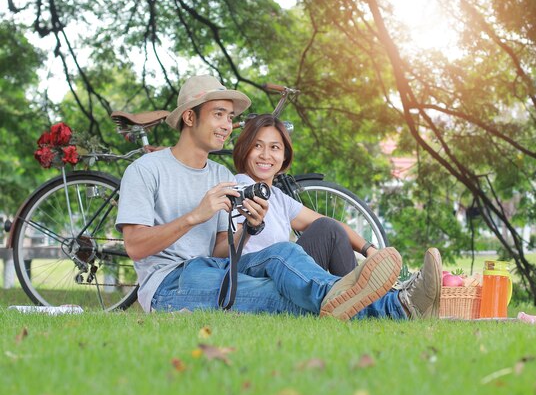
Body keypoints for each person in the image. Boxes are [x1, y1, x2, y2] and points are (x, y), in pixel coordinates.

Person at [115, 74, 442, 320]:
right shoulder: (146, 170)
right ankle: (397, 305)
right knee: (276, 295)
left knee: (283, 251)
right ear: (190, 117)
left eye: (229, 117)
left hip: (215, 267)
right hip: (169, 283)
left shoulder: (220, 176)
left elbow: (219, 249)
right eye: (218, 114)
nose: (227, 125)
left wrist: (249, 228)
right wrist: (194, 216)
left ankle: (373, 297)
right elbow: (136, 246)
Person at [232, 113, 370, 276]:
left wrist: (369, 250)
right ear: (244, 150)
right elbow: (225, 251)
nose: (265, 155)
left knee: (328, 227)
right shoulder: (239, 187)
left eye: (274, 147)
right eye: (257, 146)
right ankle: (364, 298)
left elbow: (331, 226)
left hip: (282, 277)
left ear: (284, 156)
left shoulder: (278, 197)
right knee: (328, 229)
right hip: (257, 281)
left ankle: (358, 296)